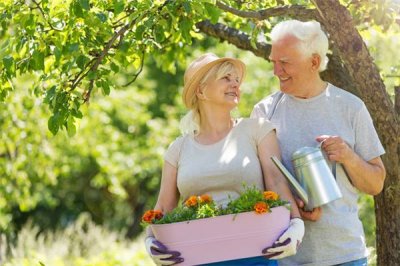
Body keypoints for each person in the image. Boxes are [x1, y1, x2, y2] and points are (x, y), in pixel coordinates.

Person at [144, 53, 305, 265]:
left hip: (255, 256)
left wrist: (296, 223)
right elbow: (164, 207)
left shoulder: (257, 130)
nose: (235, 85)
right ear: (201, 90)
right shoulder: (178, 149)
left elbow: (276, 181)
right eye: (226, 78)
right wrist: (150, 240)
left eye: (236, 80)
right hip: (197, 258)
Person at [251, 20, 386, 266]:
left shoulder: (350, 107)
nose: (276, 71)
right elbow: (256, 182)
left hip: (345, 255)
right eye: (273, 62)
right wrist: (290, 206)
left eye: (285, 63)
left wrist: (348, 156)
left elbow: (376, 183)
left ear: (314, 62)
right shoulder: (264, 112)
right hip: (287, 257)